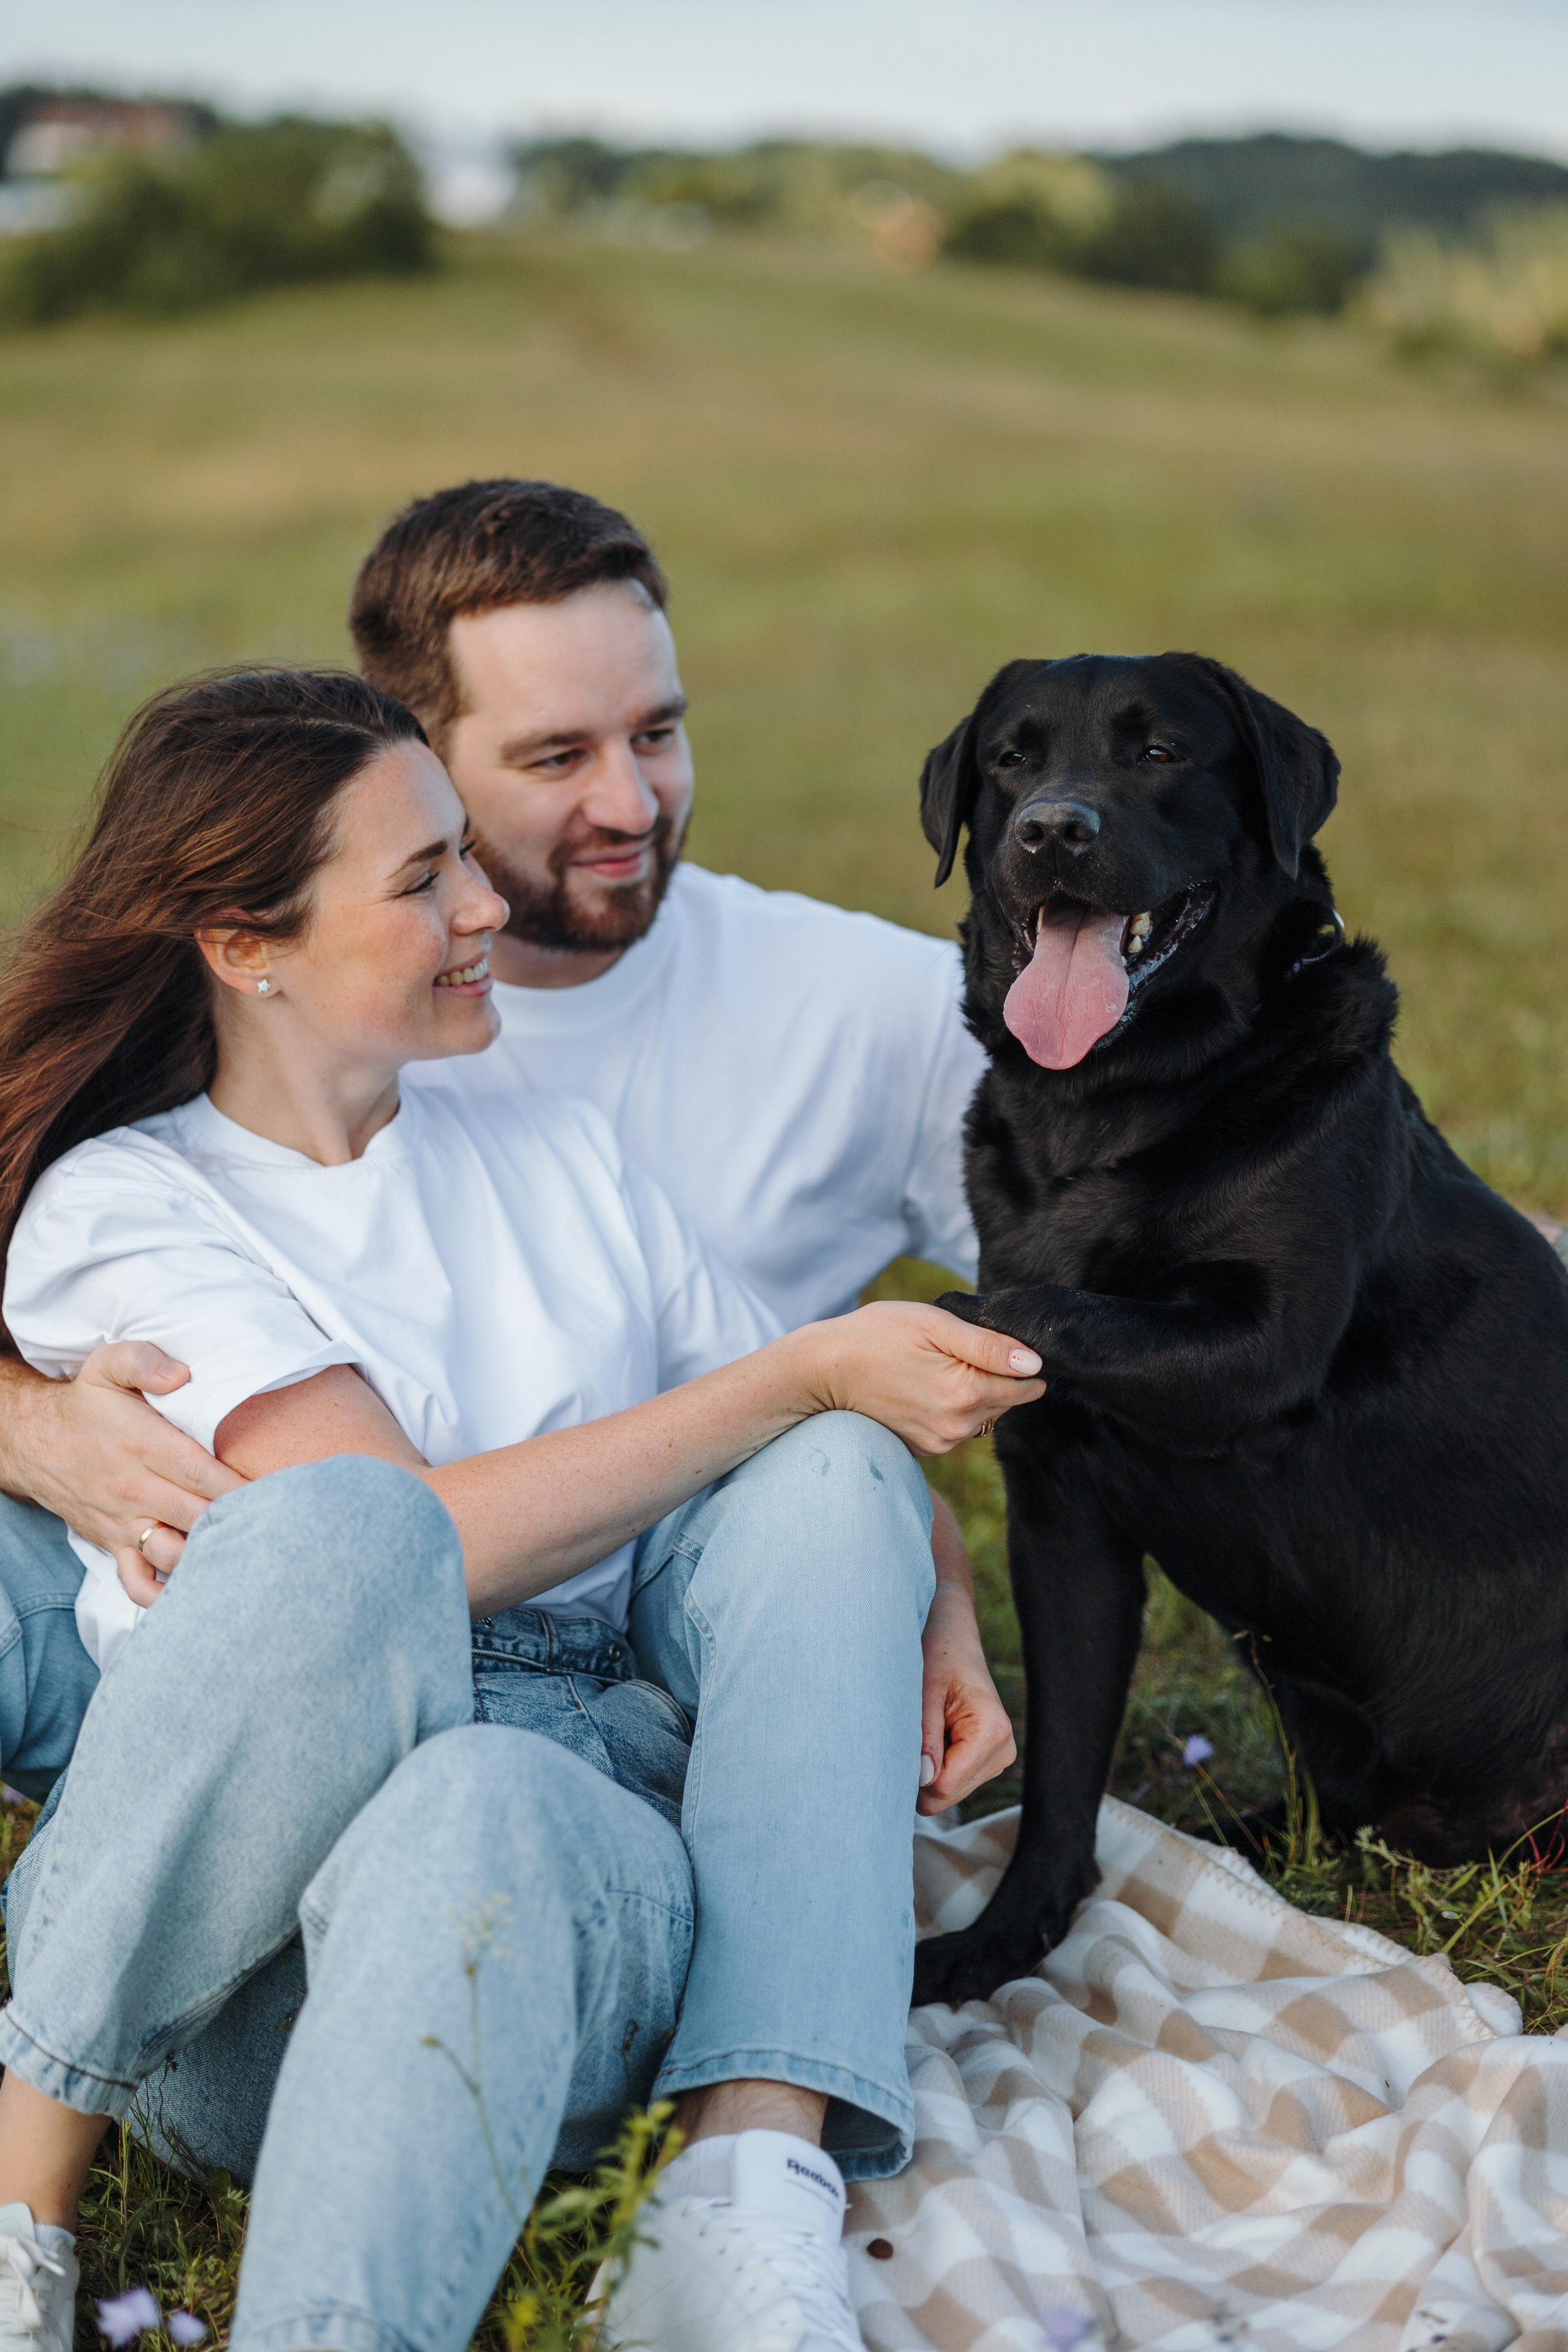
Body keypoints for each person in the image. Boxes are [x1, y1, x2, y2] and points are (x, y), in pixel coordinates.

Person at [0, 670, 1044, 2352]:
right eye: (423, 881)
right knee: (350, 1533)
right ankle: (16, 2193)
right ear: (242, 942)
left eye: (465, 859)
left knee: (816, 1488)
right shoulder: (125, 1208)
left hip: (567, 1895)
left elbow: (808, 1431)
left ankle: (745, 2186)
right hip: (246, 1946)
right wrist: (799, 1379)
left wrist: (935, 1609)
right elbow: (415, 1543)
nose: (489, 906)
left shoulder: (536, 1133)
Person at [0, 478, 1003, 1825]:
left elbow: (1112, 1286)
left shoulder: (863, 1006)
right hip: (209, 1633)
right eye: (552, 759)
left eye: (655, 733)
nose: (632, 804)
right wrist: (36, 1423)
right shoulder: (297, 1018)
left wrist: (929, 1600)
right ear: (414, 759)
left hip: (648, 1626)